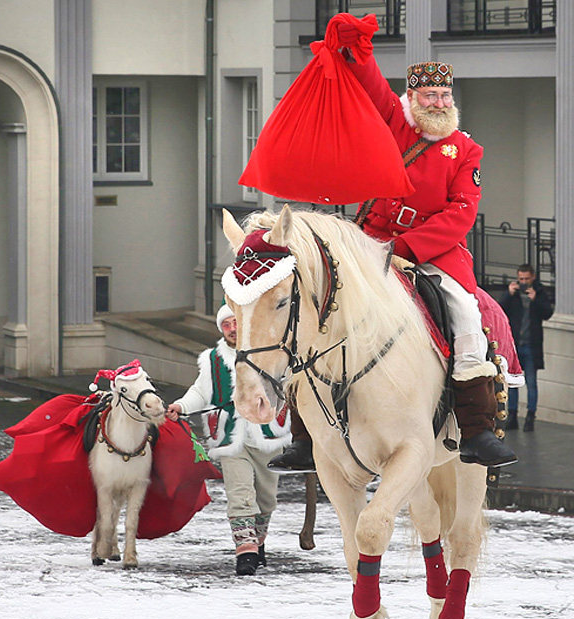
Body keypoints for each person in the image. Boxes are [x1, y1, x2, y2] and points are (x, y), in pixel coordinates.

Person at [268, 16, 517, 473]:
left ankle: (478, 431)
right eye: (429, 96)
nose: (439, 103)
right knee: (315, 311)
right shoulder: (395, 124)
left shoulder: (465, 150)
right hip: (370, 241)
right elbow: (371, 84)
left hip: (433, 252)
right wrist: (358, 47)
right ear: (413, 98)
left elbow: (461, 213)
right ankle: (304, 435)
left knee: (464, 312)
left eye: (445, 96)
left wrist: (407, 248)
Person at [166, 304, 291, 576]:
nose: (233, 329)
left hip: (268, 436)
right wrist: (181, 406)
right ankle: (245, 551)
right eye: (226, 325)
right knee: (240, 494)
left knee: (266, 499)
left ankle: (258, 543)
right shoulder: (213, 359)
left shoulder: (269, 351)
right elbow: (200, 391)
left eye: (236, 322)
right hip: (230, 438)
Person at [499, 264, 554, 431]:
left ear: (533, 278)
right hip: (515, 345)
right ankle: (513, 416)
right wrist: (508, 294)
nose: (523, 282)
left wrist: (535, 299)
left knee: (531, 382)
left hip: (531, 345)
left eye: (526, 279)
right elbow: (500, 310)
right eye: (520, 279)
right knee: (513, 382)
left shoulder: (540, 293)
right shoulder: (513, 293)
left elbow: (547, 313)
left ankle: (530, 416)